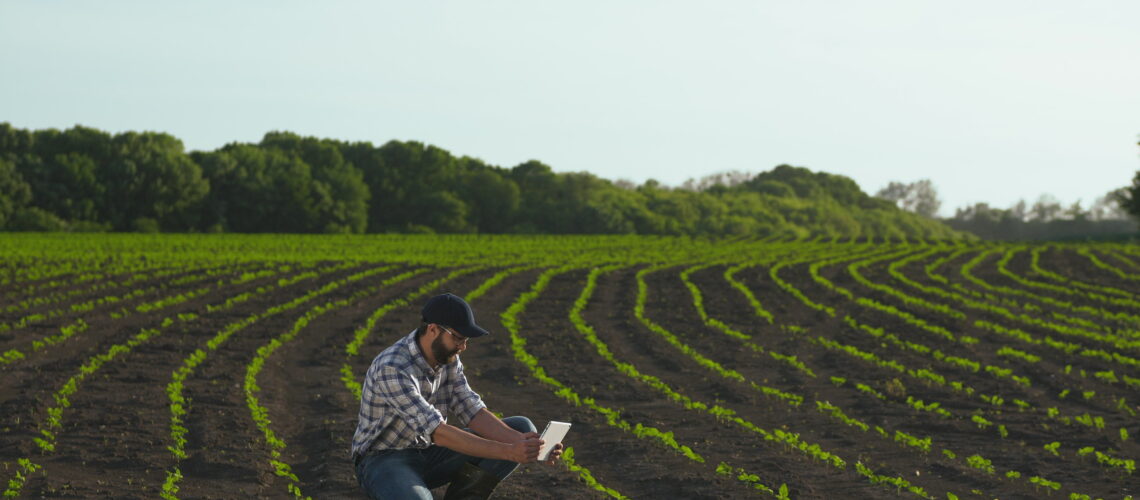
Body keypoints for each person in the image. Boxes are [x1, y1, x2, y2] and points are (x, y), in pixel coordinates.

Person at [352, 293, 563, 500]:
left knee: (521, 428)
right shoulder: (393, 367)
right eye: (458, 338)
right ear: (433, 329)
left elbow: (471, 410)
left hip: (428, 453)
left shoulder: (448, 359)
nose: (463, 347)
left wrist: (528, 445)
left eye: (466, 340)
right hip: (383, 459)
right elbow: (438, 432)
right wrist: (509, 452)